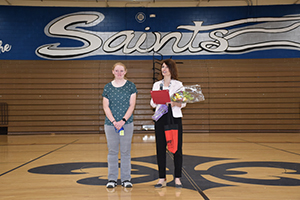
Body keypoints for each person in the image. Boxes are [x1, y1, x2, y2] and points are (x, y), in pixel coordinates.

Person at [150, 59, 186, 188]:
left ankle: (177, 178)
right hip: (161, 118)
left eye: (166, 67)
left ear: (172, 69)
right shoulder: (157, 85)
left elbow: (183, 103)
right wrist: (159, 101)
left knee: (176, 148)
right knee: (160, 148)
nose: (164, 69)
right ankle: (161, 178)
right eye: (163, 67)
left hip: (174, 118)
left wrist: (172, 103)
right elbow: (152, 103)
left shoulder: (178, 85)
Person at [102, 62, 137, 188]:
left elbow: (132, 105)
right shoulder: (107, 87)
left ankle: (126, 179)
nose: (119, 73)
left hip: (126, 124)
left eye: (121, 71)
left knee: (125, 152)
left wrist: (122, 120)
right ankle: (112, 179)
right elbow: (105, 106)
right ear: (112, 72)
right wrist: (114, 122)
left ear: (125, 72)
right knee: (112, 151)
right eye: (116, 71)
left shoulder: (131, 86)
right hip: (110, 125)